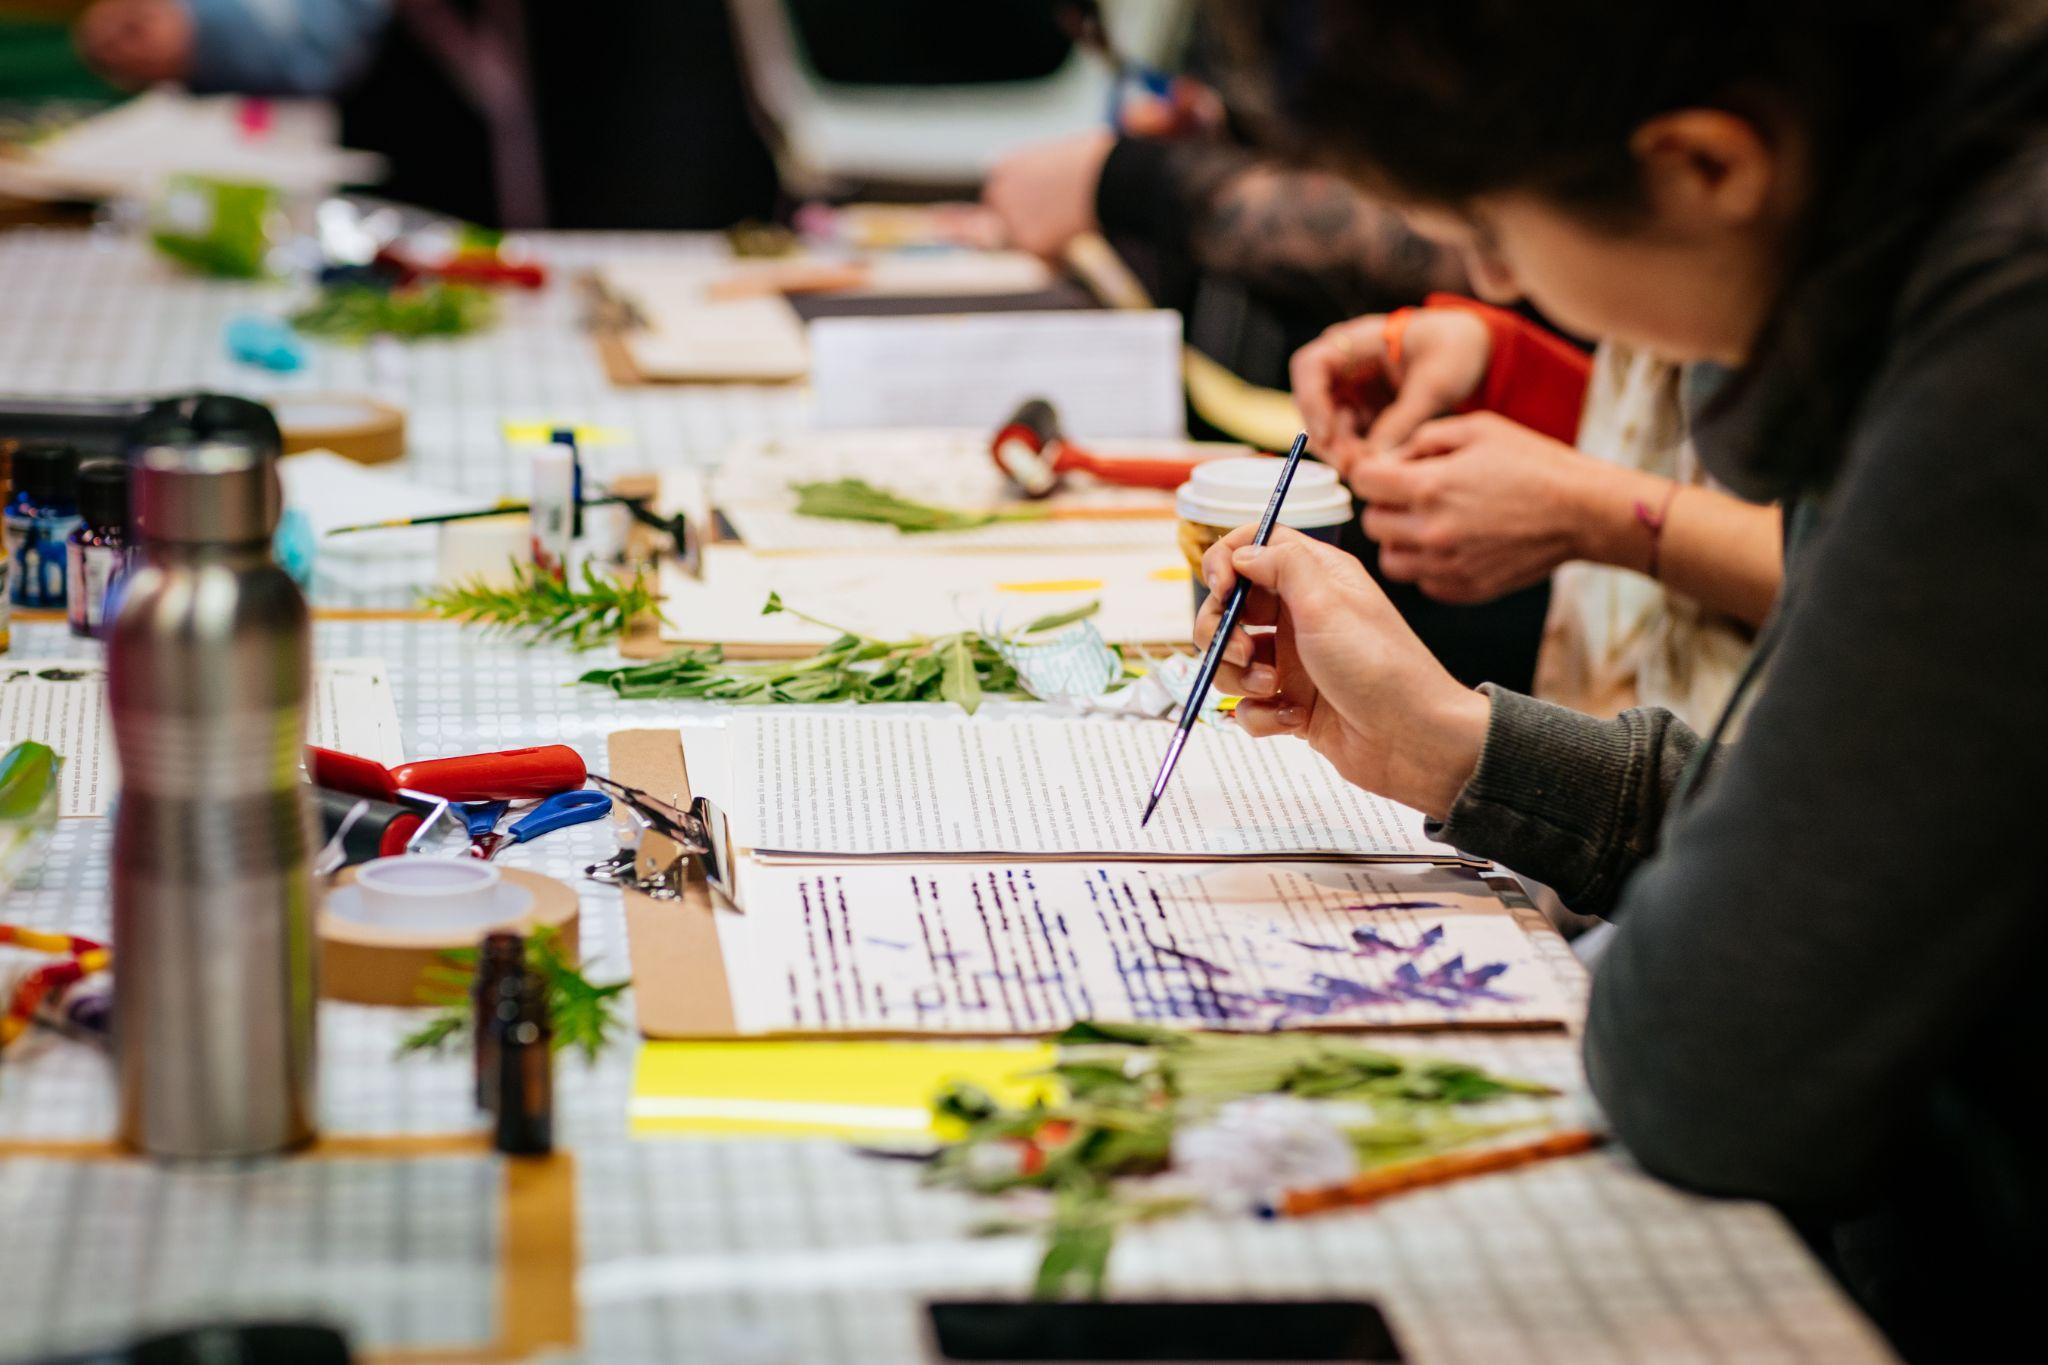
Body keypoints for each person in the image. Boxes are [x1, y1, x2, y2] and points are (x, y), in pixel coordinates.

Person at [1203, 1, 2048, 1358]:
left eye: (1493, 229)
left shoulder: (2001, 352)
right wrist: (1458, 751)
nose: (1490, 274)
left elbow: (1714, 1057)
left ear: (1708, 168)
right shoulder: (1938, 230)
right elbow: (1868, 825)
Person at [1292, 299, 1782, 729]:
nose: (1497, 279)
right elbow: (1682, 454)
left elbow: (1841, 573)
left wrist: (1594, 513)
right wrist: (1506, 364)